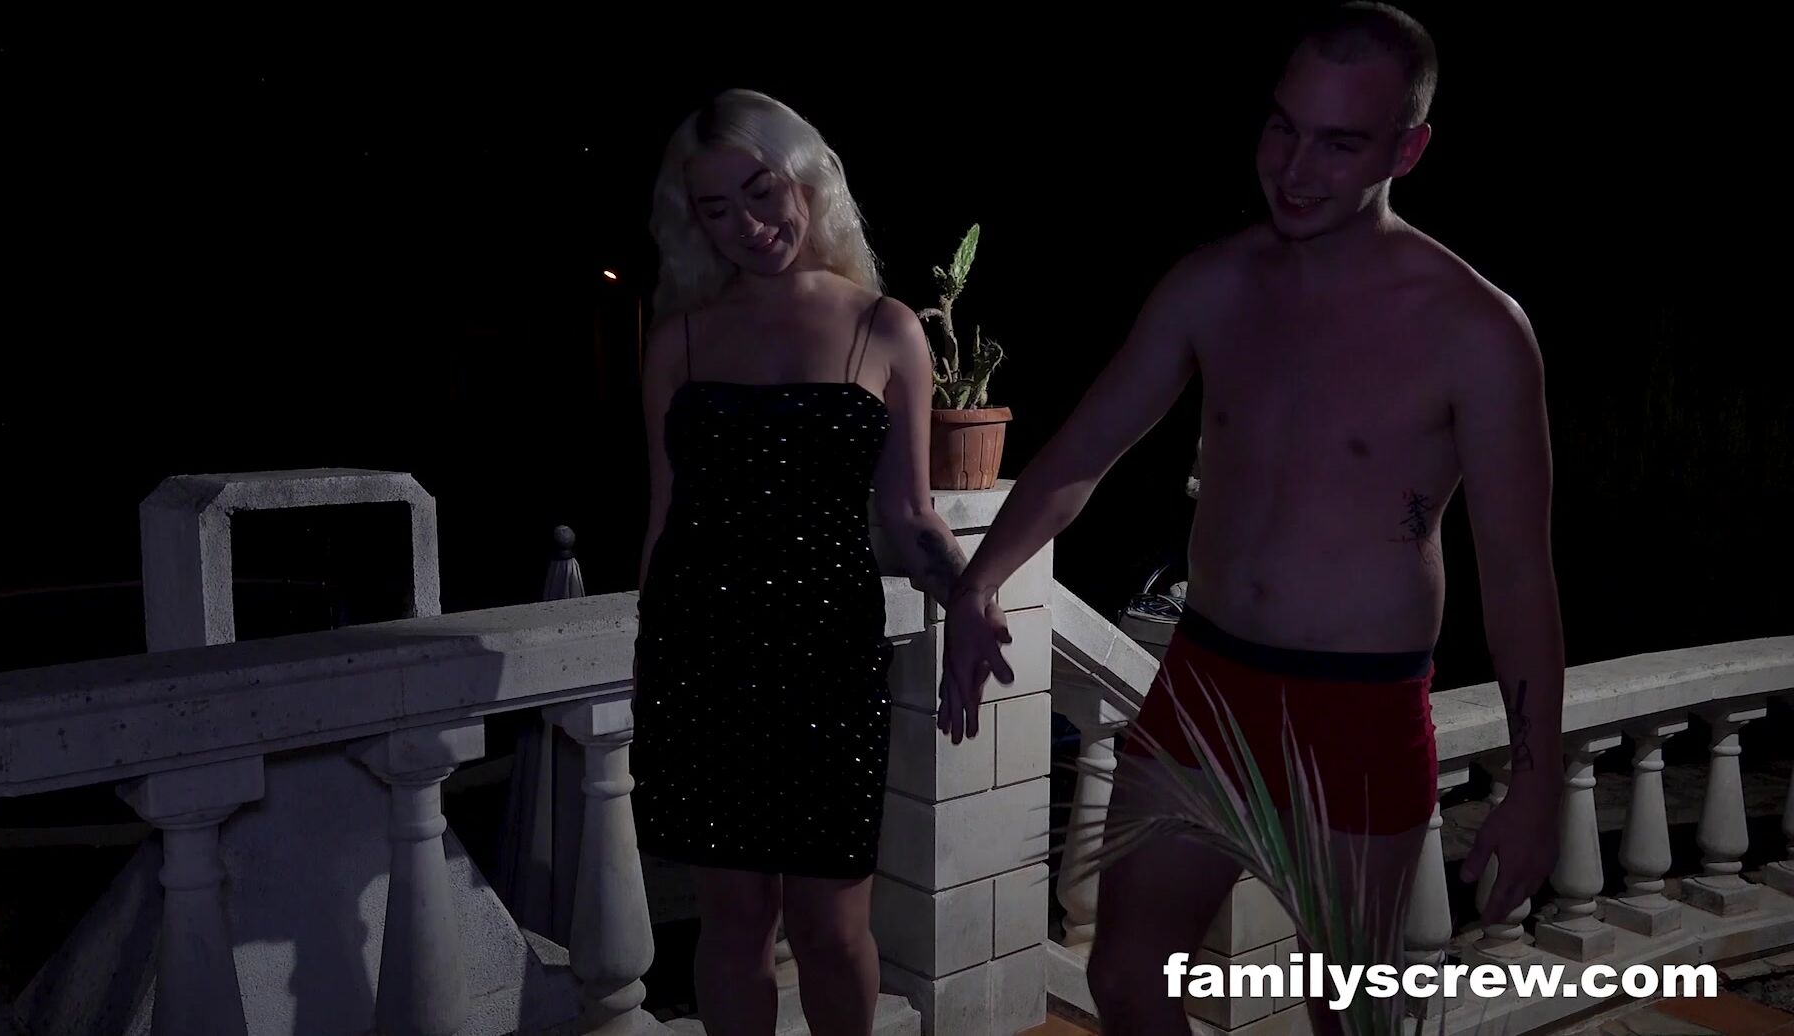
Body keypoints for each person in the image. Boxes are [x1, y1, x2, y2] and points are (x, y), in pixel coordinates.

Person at [938, 4, 1563, 1032]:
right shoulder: (1214, 284)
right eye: (1283, 128)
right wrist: (978, 581)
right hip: (1208, 680)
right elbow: (1084, 449)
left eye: (1339, 143)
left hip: (1358, 707)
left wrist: (1534, 788)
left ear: (1408, 149)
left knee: (1347, 1014)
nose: (1296, 169)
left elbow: (1521, 577)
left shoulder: (1477, 331)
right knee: (1126, 977)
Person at [632, 88, 973, 1036]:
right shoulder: (679, 338)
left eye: (760, 192)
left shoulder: (886, 327)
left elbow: (910, 516)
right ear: (692, 221)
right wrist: (650, 666)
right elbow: (663, 516)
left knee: (831, 925)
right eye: (717, 208)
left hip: (828, 656)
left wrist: (972, 598)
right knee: (736, 921)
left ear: (806, 181)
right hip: (702, 659)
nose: (748, 224)